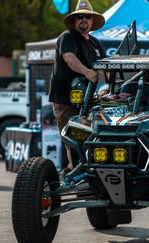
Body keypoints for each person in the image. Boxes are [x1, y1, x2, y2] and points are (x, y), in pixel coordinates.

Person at [49, 0, 105, 171]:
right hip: (66, 100)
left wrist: (107, 88)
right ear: (74, 20)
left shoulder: (95, 43)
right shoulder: (67, 37)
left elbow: (105, 67)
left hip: (90, 102)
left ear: (92, 21)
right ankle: (74, 174)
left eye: (87, 17)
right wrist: (88, 72)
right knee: (72, 140)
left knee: (92, 139)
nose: (83, 20)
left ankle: (88, 171)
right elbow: (69, 57)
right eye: (79, 17)